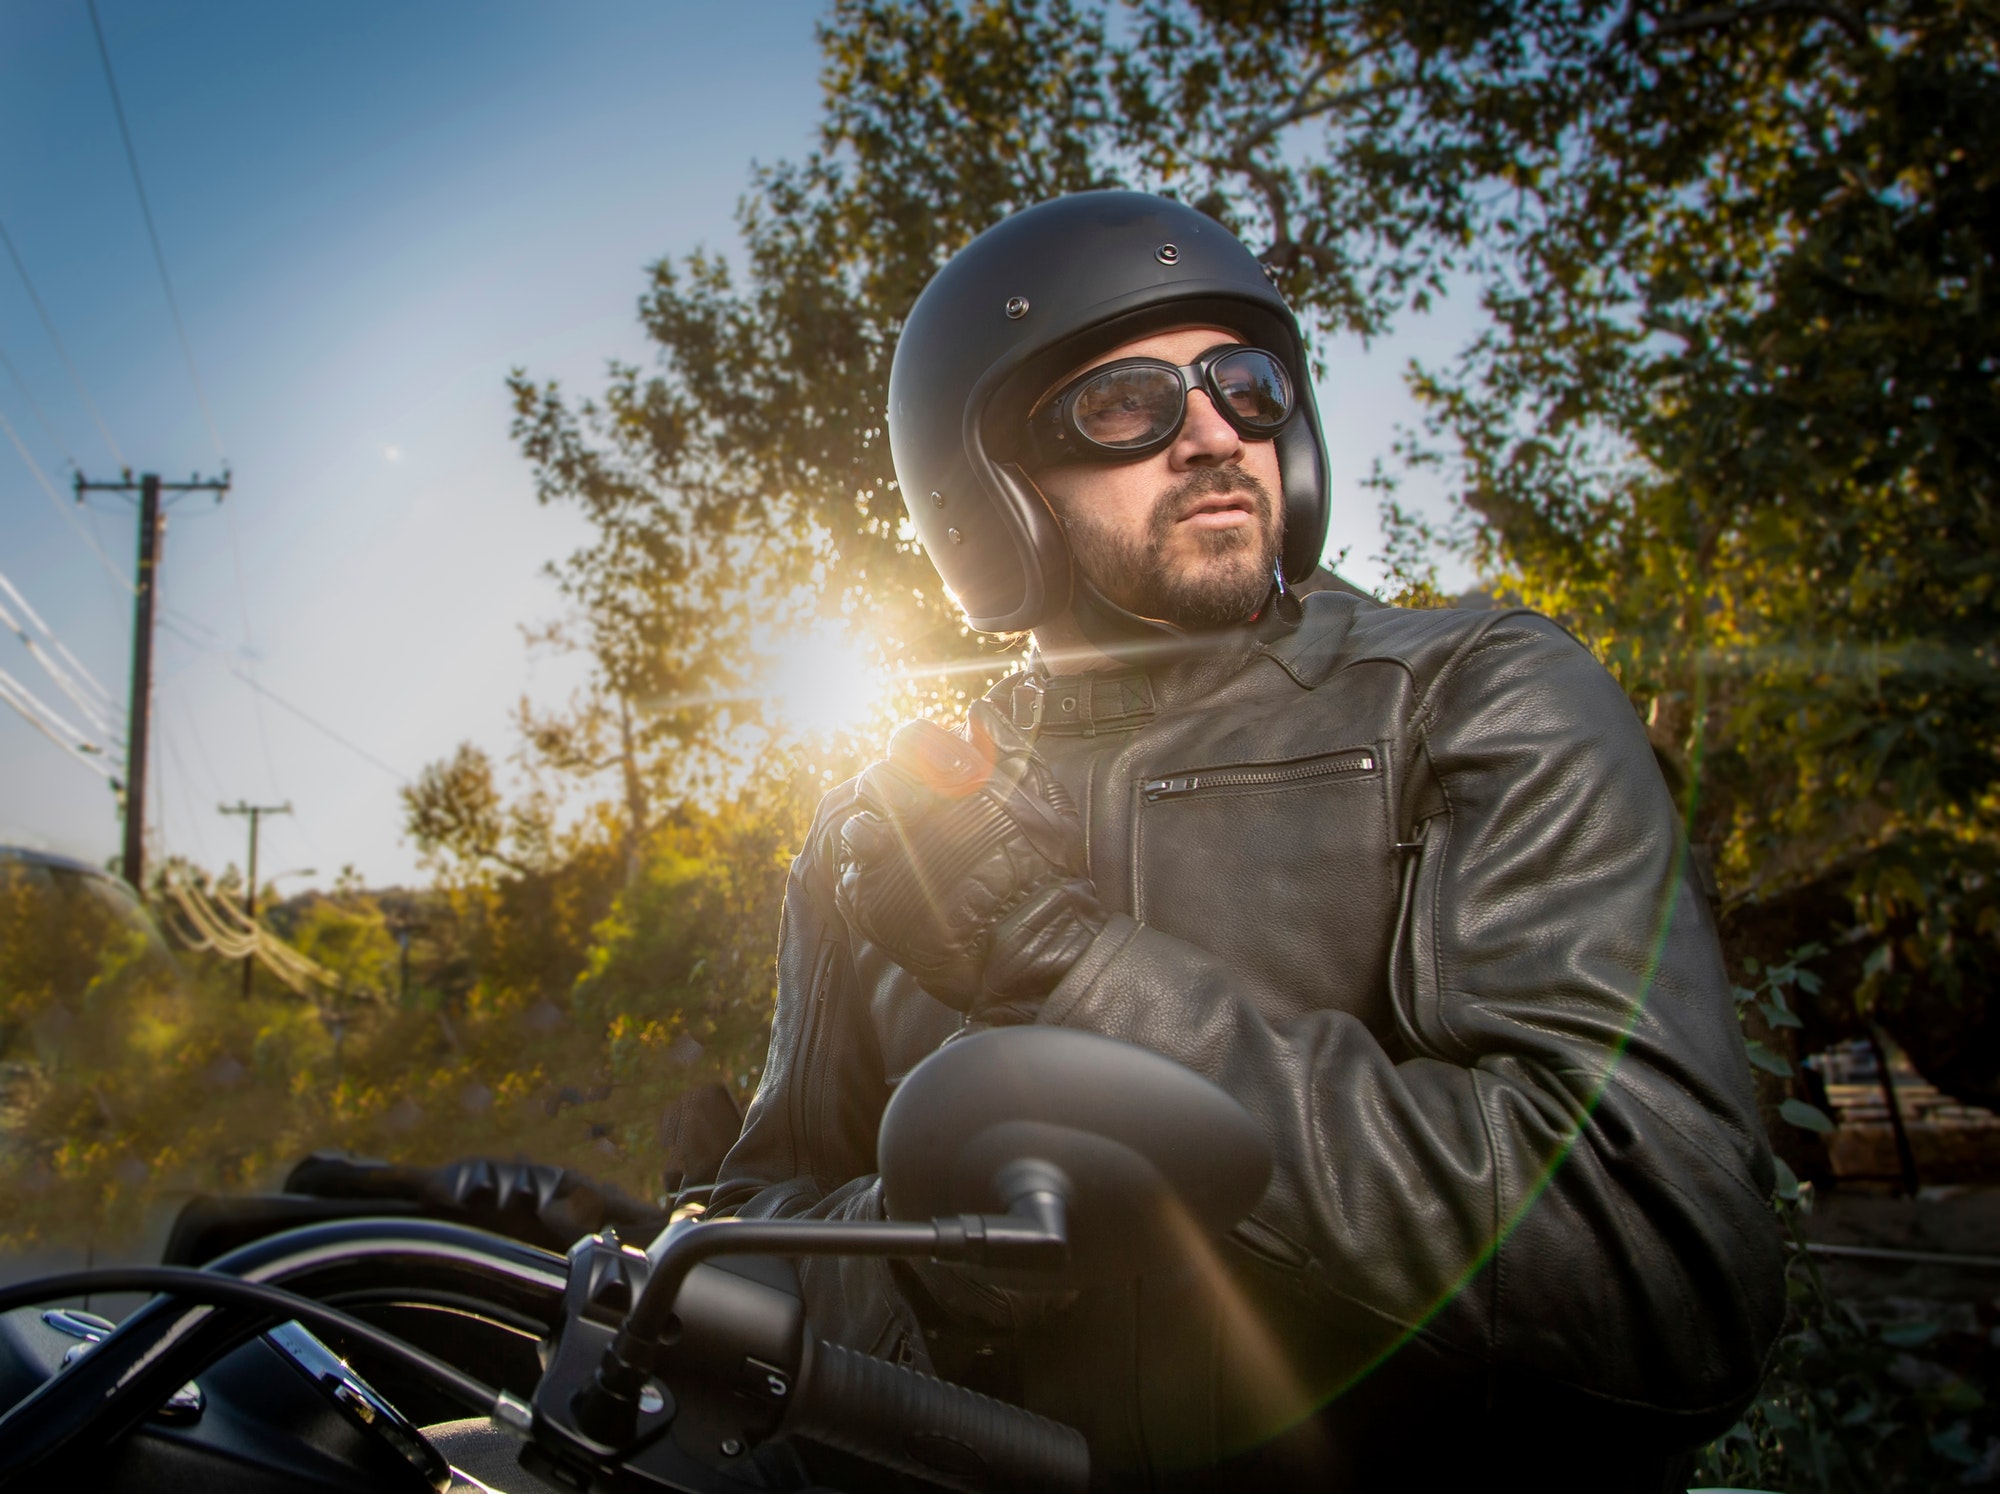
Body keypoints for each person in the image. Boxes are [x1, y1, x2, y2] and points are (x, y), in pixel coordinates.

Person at [712, 189, 1785, 1491]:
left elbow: (1666, 1277)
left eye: (1248, 383)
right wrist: (944, 1258)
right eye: (1128, 405)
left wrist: (1060, 962)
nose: (1216, 434)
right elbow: (757, 1241)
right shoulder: (891, 826)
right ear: (988, 493)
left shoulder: (1474, 691)